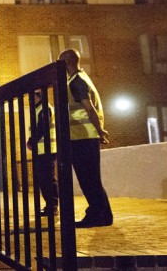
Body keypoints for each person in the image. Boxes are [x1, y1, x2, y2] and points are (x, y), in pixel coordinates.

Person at [58, 48, 113, 228]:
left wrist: (100, 130)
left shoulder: (76, 82)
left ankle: (97, 215)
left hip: (82, 137)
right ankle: (104, 215)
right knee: (92, 179)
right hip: (84, 136)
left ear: (68, 62)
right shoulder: (81, 79)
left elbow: (89, 109)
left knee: (88, 179)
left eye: (61, 62)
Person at [26, 89, 58, 216]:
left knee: (48, 179)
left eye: (32, 97)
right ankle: (50, 206)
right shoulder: (39, 109)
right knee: (44, 180)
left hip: (47, 150)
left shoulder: (44, 108)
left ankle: (53, 207)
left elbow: (42, 128)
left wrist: (31, 141)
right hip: (42, 150)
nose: (30, 100)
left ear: (39, 96)